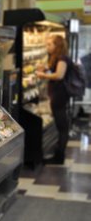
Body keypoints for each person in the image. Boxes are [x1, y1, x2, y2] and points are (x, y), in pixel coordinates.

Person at [37, 35, 70, 165]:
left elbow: (59, 75)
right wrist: (46, 69)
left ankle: (59, 156)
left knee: (62, 127)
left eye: (50, 44)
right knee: (62, 126)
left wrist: (42, 75)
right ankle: (59, 154)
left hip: (60, 96)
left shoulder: (62, 58)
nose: (47, 47)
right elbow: (55, 70)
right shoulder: (58, 58)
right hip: (59, 96)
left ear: (58, 46)